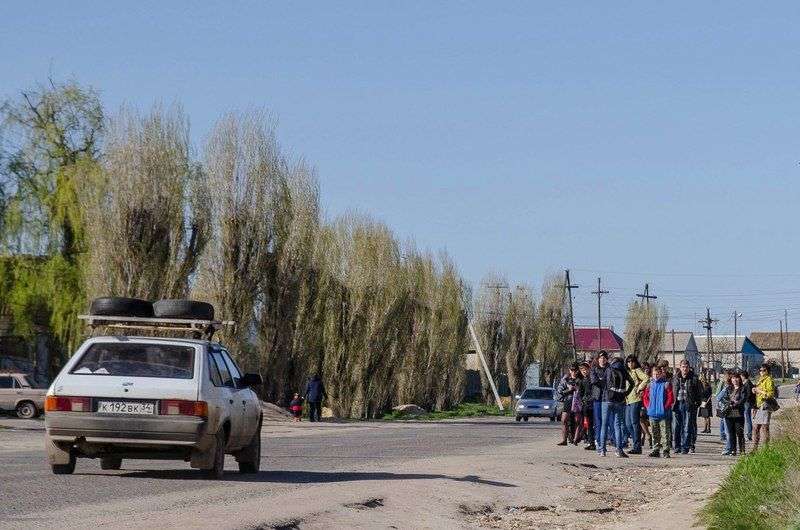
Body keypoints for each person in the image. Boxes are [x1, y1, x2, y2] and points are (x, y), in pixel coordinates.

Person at [604, 356, 635, 458]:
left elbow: (607, 384)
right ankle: (619, 449)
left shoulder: (609, 369)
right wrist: (626, 393)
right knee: (618, 425)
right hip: (620, 400)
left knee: (605, 424)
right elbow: (632, 382)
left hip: (609, 399)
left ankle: (602, 449)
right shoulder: (624, 370)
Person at [643, 365, 675, 458]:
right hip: (652, 413)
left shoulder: (666, 384)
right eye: (654, 374)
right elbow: (645, 397)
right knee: (654, 432)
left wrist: (665, 407)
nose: (656, 375)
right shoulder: (650, 385)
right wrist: (648, 406)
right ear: (652, 375)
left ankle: (666, 450)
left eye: (658, 374)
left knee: (665, 433)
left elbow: (670, 397)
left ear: (661, 374)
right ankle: (655, 449)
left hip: (663, 413)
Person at [672, 359, 702, 454]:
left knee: (687, 426)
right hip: (677, 404)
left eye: (686, 367)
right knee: (677, 427)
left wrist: (697, 403)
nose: (684, 369)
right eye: (683, 367)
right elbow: (672, 391)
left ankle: (685, 447)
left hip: (689, 404)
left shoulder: (694, 378)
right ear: (680, 367)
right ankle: (677, 446)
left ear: (689, 368)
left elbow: (699, 392)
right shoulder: (675, 378)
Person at [624, 355, 650, 455]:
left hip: (635, 399)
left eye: (632, 362)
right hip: (627, 400)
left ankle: (637, 446)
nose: (630, 364)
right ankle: (636, 442)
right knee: (628, 423)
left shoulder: (637, 370)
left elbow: (646, 378)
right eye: (628, 362)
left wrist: (639, 387)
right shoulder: (627, 372)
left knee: (635, 423)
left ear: (635, 362)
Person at [721, 372, 749, 456]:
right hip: (729, 412)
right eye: (733, 378)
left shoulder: (742, 388)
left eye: (736, 378)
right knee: (731, 432)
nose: (735, 380)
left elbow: (743, 399)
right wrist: (729, 403)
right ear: (731, 379)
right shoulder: (729, 388)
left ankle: (742, 450)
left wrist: (736, 403)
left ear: (739, 379)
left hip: (738, 413)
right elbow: (723, 398)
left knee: (739, 432)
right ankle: (733, 450)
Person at [556, 363, 583, 445]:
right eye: (572, 370)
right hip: (568, 401)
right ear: (570, 370)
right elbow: (560, 391)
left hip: (578, 402)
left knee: (577, 421)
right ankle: (564, 440)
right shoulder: (566, 379)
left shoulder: (581, 380)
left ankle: (575, 439)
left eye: (575, 370)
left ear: (578, 371)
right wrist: (569, 390)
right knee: (564, 420)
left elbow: (585, 391)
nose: (573, 372)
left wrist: (578, 390)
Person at [590, 351, 611, 455]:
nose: (602, 360)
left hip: (607, 397)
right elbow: (594, 381)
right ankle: (599, 442)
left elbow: (610, 381)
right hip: (597, 398)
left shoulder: (609, 368)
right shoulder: (594, 368)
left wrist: (601, 380)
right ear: (598, 359)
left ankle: (603, 443)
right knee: (598, 421)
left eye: (604, 358)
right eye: (600, 358)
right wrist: (603, 381)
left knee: (605, 422)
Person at [752, 364, 776, 450]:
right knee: (755, 428)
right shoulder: (761, 379)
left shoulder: (769, 379)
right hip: (758, 405)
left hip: (765, 406)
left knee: (764, 427)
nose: (761, 372)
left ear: (768, 371)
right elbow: (759, 391)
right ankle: (755, 448)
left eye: (764, 370)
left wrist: (760, 391)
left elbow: (771, 394)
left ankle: (766, 449)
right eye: (760, 370)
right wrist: (755, 390)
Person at [578, 362, 595, 449]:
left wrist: (590, 399)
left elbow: (594, 391)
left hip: (592, 404)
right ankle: (589, 440)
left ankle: (592, 442)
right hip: (585, 405)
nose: (584, 371)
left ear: (589, 369)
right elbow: (580, 393)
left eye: (585, 369)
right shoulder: (582, 380)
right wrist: (582, 401)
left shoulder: (592, 379)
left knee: (592, 424)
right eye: (582, 370)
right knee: (586, 424)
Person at [714, 371, 733, 444]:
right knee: (723, 419)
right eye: (729, 375)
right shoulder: (722, 383)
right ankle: (722, 434)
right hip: (723, 404)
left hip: (728, 404)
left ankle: (724, 434)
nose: (730, 377)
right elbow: (717, 394)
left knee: (725, 419)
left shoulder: (730, 383)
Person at [639, 363, 653, 449]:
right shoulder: (640, 379)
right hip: (641, 401)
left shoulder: (652, 379)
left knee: (649, 420)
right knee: (641, 418)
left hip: (651, 402)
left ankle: (647, 436)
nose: (646, 370)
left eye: (647, 368)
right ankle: (647, 435)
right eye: (644, 369)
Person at [740, 370, 755, 441]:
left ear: (743, 376)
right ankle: (748, 433)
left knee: (748, 418)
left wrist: (743, 399)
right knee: (746, 418)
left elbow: (748, 394)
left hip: (747, 403)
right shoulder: (746, 383)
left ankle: (749, 433)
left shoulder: (748, 383)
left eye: (741, 376)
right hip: (746, 403)